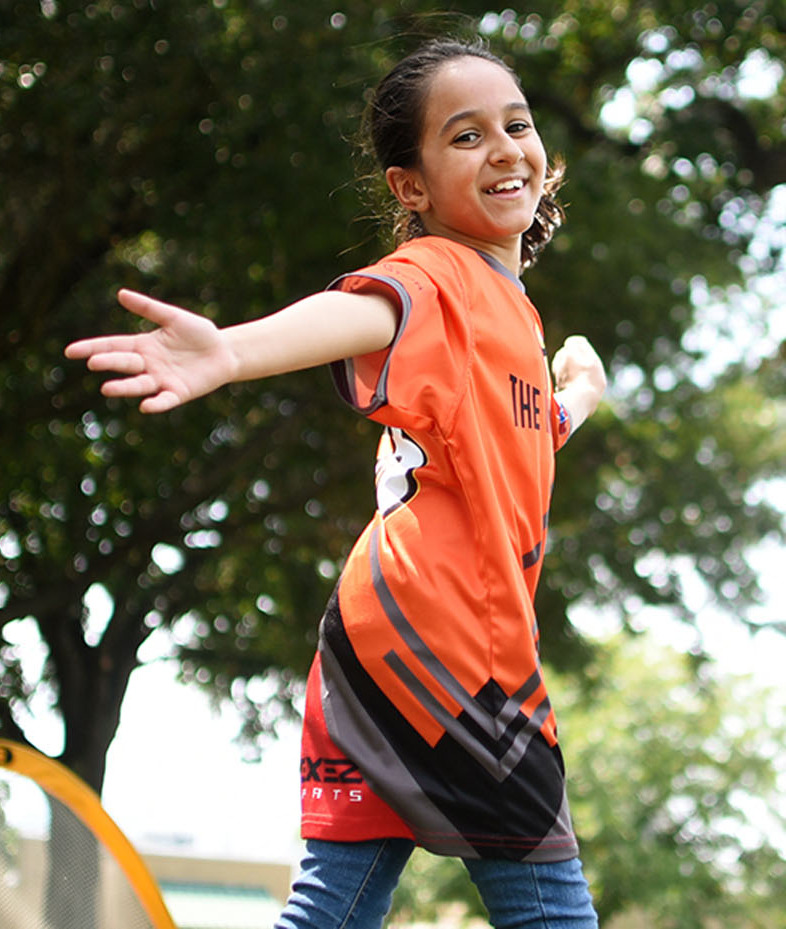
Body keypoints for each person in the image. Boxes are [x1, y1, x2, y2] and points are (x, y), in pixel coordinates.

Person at [65, 38, 607, 929]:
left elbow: (518, 440)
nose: (506, 147)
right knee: (552, 912)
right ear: (412, 187)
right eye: (466, 136)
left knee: (335, 909)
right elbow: (367, 311)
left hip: (373, 637)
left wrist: (578, 391)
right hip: (451, 646)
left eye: (517, 124)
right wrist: (234, 350)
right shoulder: (439, 276)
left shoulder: (504, 313)